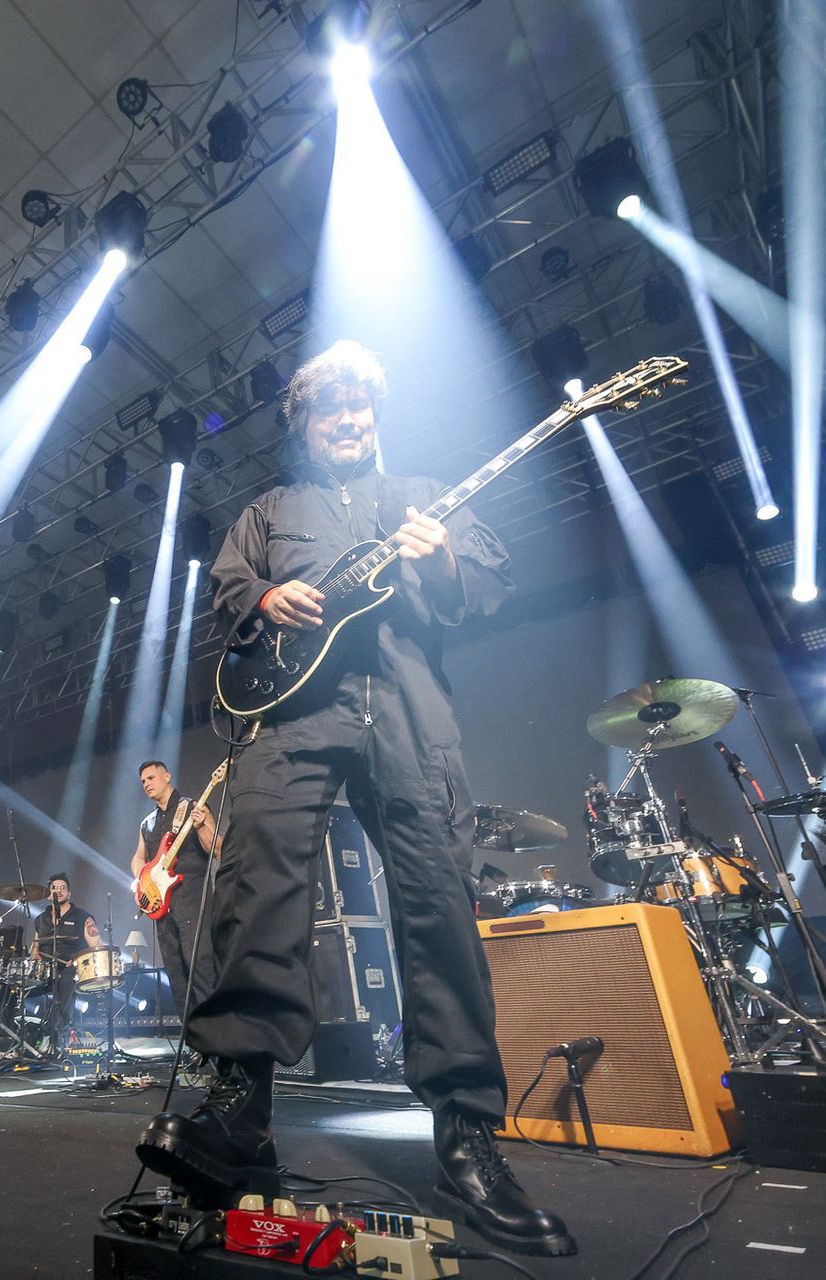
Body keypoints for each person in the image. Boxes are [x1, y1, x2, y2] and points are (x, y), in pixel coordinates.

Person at [135, 341, 575, 1257]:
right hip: (294, 718)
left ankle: (465, 1139)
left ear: (375, 415)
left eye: (359, 407)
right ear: (303, 423)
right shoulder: (269, 511)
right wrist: (266, 592)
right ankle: (240, 1122)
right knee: (256, 889)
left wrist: (446, 552)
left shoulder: (424, 494)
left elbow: (489, 589)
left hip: (409, 714)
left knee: (439, 910)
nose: (347, 421)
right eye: (329, 408)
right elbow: (226, 591)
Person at [127, 760, 220, 1017]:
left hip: (191, 894)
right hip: (161, 904)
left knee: (199, 965)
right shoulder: (147, 823)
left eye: (151, 777)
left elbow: (218, 848)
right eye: (143, 781)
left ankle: (218, 1036)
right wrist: (143, 877)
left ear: (167, 776)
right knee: (176, 973)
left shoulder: (192, 807)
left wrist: (202, 826)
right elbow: (138, 857)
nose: (146, 783)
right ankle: (194, 1040)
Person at [30, 873, 103, 1053]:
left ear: (69, 893)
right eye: (55, 887)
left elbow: (97, 946)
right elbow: (35, 949)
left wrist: (78, 959)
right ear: (49, 894)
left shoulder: (83, 917)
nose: (59, 891)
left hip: (71, 969)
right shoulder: (41, 919)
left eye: (63, 888)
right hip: (45, 970)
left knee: (65, 980)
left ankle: (57, 1038)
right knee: (9, 986)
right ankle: (18, 1039)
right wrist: (36, 963)